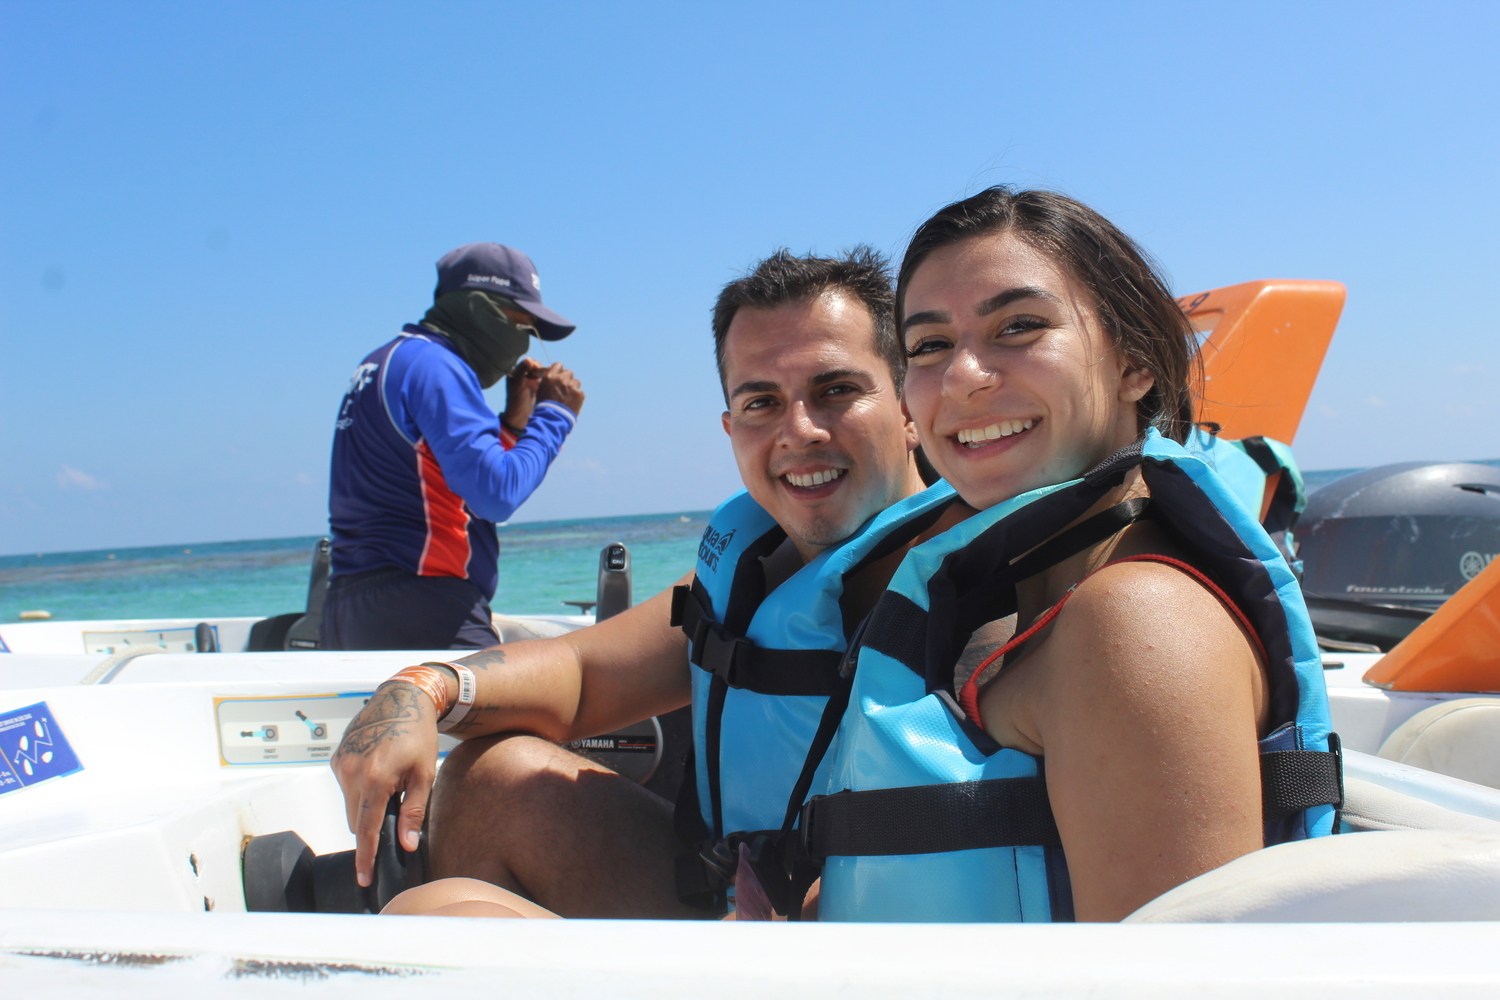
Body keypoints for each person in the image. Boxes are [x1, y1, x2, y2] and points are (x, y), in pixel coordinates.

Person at [771, 187, 1341, 923]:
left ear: (1135, 361)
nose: (964, 377)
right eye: (929, 346)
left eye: (1019, 326)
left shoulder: (1138, 624)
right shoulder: (1042, 590)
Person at [330, 248, 948, 918]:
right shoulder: (755, 567)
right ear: (731, 428)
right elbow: (581, 672)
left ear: (912, 404)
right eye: (761, 402)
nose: (798, 431)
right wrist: (422, 689)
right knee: (488, 778)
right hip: (738, 904)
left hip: (889, 946)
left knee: (433, 921)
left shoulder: (973, 580)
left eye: (836, 391)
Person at [321, 242, 586, 650]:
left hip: (350, 605)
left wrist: (514, 423)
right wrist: (555, 415)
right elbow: (495, 494)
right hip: (423, 604)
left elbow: (436, 479)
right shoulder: (439, 368)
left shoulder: (385, 361)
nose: (527, 344)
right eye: (523, 326)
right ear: (482, 310)